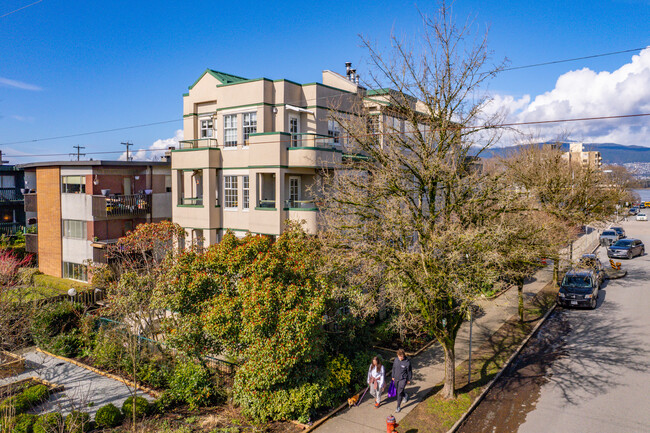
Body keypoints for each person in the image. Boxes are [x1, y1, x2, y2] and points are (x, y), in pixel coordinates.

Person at [391, 348, 412, 413]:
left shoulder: (407, 362)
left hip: (403, 379)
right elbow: (393, 368)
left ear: (404, 355)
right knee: (398, 391)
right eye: (399, 356)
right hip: (396, 378)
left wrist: (409, 379)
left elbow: (409, 371)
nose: (400, 358)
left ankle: (398, 407)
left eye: (401, 356)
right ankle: (405, 395)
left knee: (399, 393)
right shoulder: (396, 360)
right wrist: (393, 376)